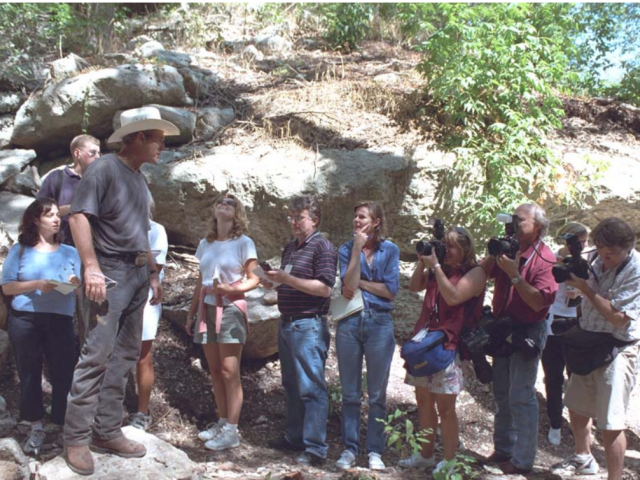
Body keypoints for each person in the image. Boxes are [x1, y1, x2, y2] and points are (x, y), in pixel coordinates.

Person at [62, 107, 178, 476]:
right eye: (158, 139)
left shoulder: (139, 179)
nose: (163, 147)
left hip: (138, 274)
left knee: (125, 355)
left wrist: (153, 275)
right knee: (96, 354)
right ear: (139, 137)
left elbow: (138, 231)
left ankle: (107, 431)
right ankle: (76, 437)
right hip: (109, 273)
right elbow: (79, 216)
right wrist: (91, 267)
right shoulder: (105, 168)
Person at [551, 217, 640, 480]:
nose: (604, 259)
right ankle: (583, 458)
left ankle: (614, 477)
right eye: (600, 252)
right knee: (577, 406)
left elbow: (618, 318)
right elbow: (577, 293)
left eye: (611, 255)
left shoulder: (635, 270)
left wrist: (586, 289)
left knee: (610, 422)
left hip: (617, 347)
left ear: (627, 247)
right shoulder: (594, 260)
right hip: (586, 340)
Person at [399, 226, 486, 473]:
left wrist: (436, 267)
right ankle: (425, 455)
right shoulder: (441, 269)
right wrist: (423, 263)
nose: (445, 251)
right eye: (443, 246)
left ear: (465, 249)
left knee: (446, 408)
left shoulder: (476, 272)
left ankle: (450, 461)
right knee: (423, 400)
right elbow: (414, 287)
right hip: (426, 344)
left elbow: (454, 298)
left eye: (451, 247)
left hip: (450, 346)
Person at [481, 203, 557, 475]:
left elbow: (539, 303)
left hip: (527, 331)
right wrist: (496, 252)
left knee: (521, 395)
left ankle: (523, 460)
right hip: (503, 328)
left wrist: (514, 274)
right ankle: (503, 449)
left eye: (519, 220)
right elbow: (482, 273)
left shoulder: (545, 258)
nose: (513, 224)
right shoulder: (509, 249)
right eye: (511, 219)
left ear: (537, 225)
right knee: (502, 392)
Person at [1, 198, 81, 455]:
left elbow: (78, 286)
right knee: (29, 373)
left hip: (60, 319)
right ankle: (35, 425)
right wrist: (36, 284)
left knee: (64, 372)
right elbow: (7, 287)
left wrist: (74, 282)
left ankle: (59, 422)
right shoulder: (20, 250)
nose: (57, 219)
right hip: (25, 320)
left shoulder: (70, 251)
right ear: (36, 220)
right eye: (50, 215)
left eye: (58, 214)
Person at [263, 195, 337, 467]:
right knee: (292, 385)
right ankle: (294, 437)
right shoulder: (291, 248)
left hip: (308, 325)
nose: (294, 223)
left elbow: (325, 288)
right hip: (287, 322)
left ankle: (316, 448)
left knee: (311, 387)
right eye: (291, 218)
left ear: (314, 220)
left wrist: (286, 279)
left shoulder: (323, 247)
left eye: (299, 217)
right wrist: (273, 283)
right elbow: (291, 282)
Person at [184, 193, 259, 451]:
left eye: (229, 203)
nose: (223, 205)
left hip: (230, 309)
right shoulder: (206, 243)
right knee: (214, 369)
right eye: (220, 202)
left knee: (230, 371)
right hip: (207, 308)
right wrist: (192, 313)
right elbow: (200, 280)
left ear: (237, 213)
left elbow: (256, 277)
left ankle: (232, 431)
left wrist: (231, 289)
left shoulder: (244, 242)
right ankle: (223, 420)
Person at [334, 201, 400, 471]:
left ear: (376, 222)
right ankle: (350, 448)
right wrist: (357, 251)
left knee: (377, 394)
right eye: (355, 216)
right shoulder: (346, 249)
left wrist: (359, 282)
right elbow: (346, 285)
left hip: (379, 323)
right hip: (349, 322)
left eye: (362, 217)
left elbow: (390, 290)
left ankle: (375, 450)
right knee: (350, 392)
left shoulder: (390, 250)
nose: (356, 221)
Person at [542, 222, 589, 446]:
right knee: (553, 375)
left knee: (576, 375)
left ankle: (578, 424)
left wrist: (580, 288)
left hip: (576, 322)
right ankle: (554, 423)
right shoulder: (551, 258)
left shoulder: (585, 262)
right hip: (553, 321)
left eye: (584, 242)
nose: (582, 246)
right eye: (579, 241)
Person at [129, 197, 169, 431]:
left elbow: (156, 267)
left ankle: (142, 412)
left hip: (145, 299)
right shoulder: (118, 226)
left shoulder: (156, 230)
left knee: (143, 354)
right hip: (120, 297)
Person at [37, 135, 101, 246]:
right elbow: (38, 212)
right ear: (77, 153)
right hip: (63, 249)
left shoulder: (101, 181)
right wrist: (72, 208)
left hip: (98, 251)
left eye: (99, 153)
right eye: (92, 153)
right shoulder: (56, 179)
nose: (97, 157)